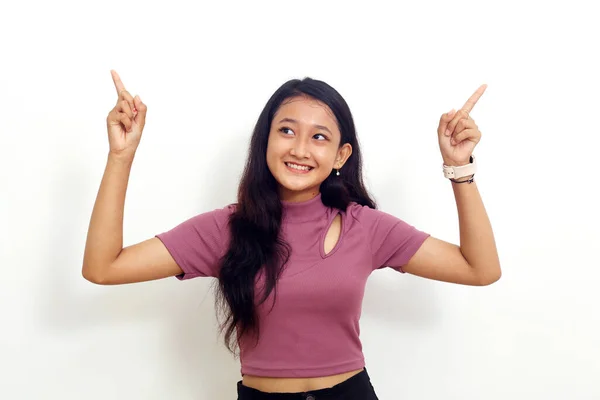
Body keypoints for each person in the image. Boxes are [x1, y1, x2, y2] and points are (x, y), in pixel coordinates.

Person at [82, 70, 501, 399]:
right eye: (286, 131)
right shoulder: (226, 229)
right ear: (265, 140)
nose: (300, 149)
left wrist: (459, 169)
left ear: (341, 156)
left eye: (319, 137)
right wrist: (121, 156)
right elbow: (104, 267)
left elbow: (480, 270)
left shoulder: (366, 227)